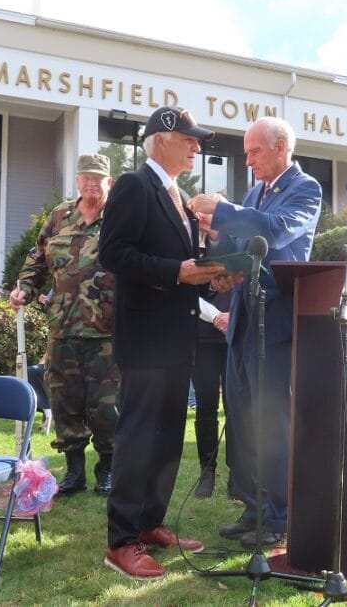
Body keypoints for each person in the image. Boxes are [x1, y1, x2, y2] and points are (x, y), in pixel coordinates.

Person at [98, 106, 223, 579]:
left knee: (169, 435)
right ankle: (122, 541)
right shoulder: (135, 185)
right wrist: (177, 271)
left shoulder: (178, 195)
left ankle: (151, 522)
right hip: (146, 338)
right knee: (137, 435)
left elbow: (187, 264)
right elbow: (114, 253)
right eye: (189, 139)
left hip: (177, 336)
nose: (196, 147)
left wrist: (215, 273)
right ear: (162, 139)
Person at [188, 116, 322, 549]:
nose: (247, 161)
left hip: (278, 321)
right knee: (243, 418)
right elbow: (238, 248)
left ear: (281, 146)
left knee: (270, 420)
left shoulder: (306, 188)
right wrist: (218, 264)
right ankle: (252, 507)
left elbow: (276, 231)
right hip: (243, 318)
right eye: (245, 152)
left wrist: (222, 209)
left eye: (254, 152)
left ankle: (279, 516)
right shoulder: (252, 192)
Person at [11, 153, 119, 497]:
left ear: (109, 182)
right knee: (64, 401)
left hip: (107, 330)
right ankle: (74, 471)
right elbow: (36, 259)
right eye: (84, 177)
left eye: (97, 178)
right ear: (77, 180)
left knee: (107, 405)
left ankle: (108, 469)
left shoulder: (119, 219)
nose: (90, 184)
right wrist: (24, 287)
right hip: (62, 329)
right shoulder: (59, 217)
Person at [190, 256, 231, 499]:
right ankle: (207, 471)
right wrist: (215, 316)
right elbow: (185, 289)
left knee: (235, 407)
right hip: (202, 337)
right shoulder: (195, 243)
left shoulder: (242, 237)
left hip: (235, 335)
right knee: (205, 406)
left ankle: (237, 474)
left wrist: (233, 315)